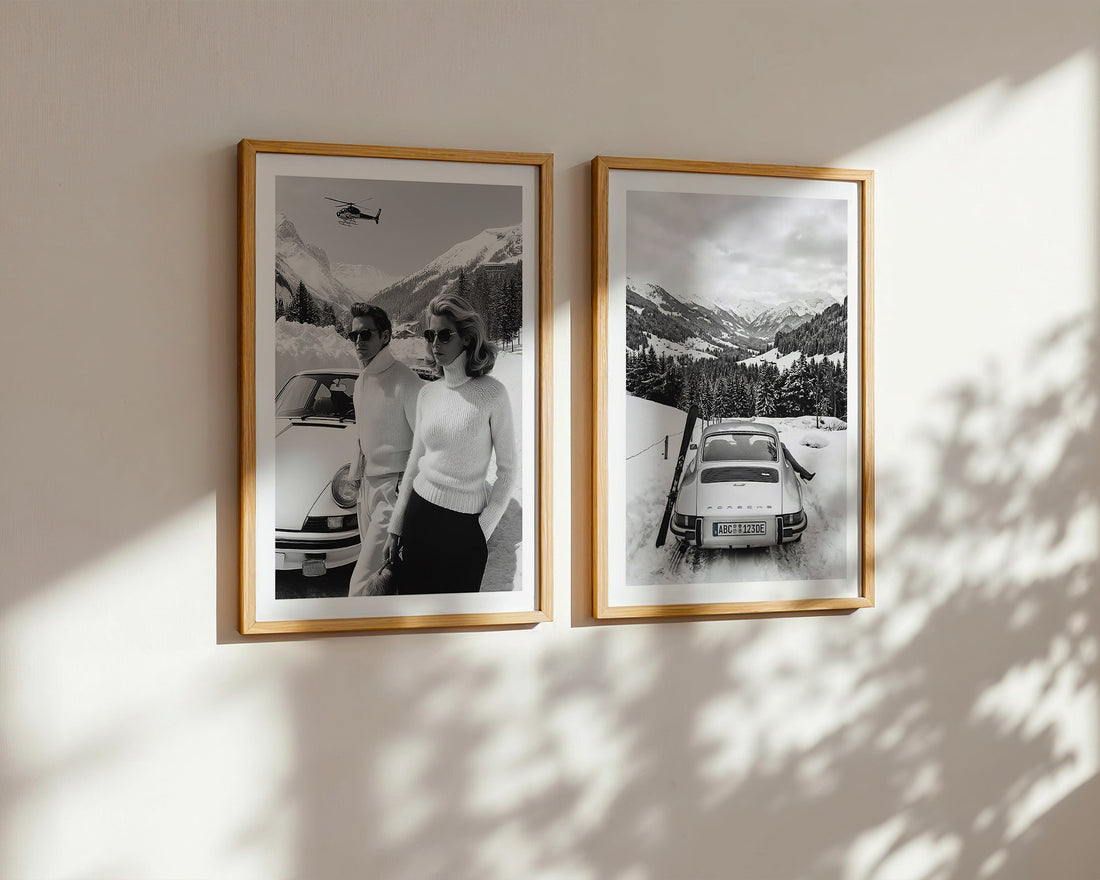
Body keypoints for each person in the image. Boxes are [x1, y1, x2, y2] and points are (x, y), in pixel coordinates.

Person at [384, 292, 516, 593]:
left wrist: (482, 530)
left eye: (444, 335)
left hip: (464, 530)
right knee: (411, 614)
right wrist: (396, 527)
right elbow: (415, 463)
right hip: (418, 518)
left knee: (455, 628)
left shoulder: (492, 394)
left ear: (467, 339)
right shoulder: (427, 394)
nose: (435, 344)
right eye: (430, 335)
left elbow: (508, 472)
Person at [345, 303, 423, 597]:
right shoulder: (361, 381)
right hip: (365, 489)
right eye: (353, 336)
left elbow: (424, 445)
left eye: (365, 335)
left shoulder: (407, 382)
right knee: (380, 581)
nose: (358, 343)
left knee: (361, 584)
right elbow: (361, 433)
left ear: (386, 336)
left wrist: (405, 496)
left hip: (392, 493)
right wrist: (356, 474)